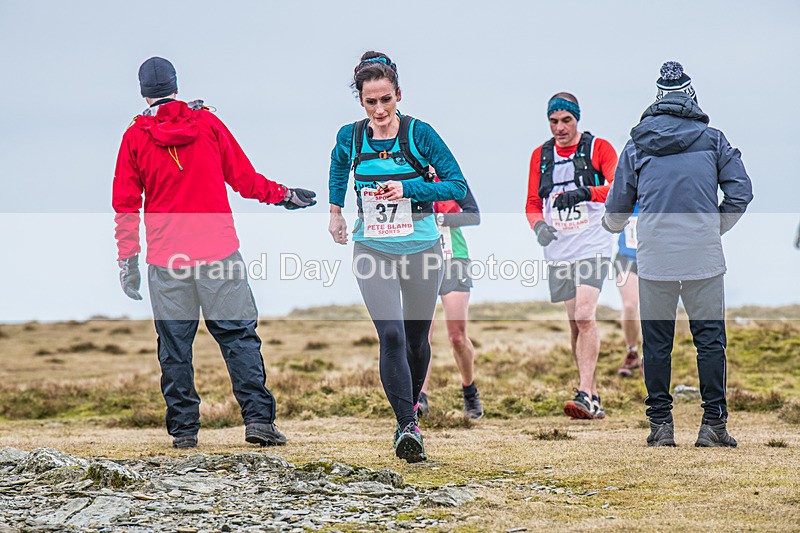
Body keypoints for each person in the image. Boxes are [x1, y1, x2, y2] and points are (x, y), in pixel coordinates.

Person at [113, 57, 317, 449]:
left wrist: (128, 262)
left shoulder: (134, 136)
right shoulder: (207, 124)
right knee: (239, 336)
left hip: (165, 260)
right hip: (219, 254)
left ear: (143, 92)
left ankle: (184, 432)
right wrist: (285, 196)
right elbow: (244, 179)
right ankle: (258, 421)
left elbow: (125, 205)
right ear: (176, 85)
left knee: (174, 346)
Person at [603, 61, 753, 447]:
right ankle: (713, 427)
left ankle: (661, 427)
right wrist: (712, 226)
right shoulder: (714, 139)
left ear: (657, 98)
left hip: (655, 257)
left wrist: (612, 226)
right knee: (710, 340)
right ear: (690, 95)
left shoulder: (636, 145)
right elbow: (740, 193)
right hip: (703, 255)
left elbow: (618, 209)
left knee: (656, 343)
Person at [328, 51, 467, 463]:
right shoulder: (351, 137)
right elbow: (338, 168)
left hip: (422, 248)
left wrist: (408, 191)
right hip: (372, 248)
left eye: (386, 99)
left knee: (416, 341)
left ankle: (408, 418)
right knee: (390, 335)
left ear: (398, 95)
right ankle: (408, 425)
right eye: (371, 102)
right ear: (361, 102)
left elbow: (456, 186)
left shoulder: (420, 134)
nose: (380, 109)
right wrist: (335, 212)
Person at [525, 93, 617, 420]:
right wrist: (538, 227)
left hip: (593, 243)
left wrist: (585, 192)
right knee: (575, 325)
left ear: (577, 118)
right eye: (554, 121)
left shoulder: (598, 149)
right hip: (559, 249)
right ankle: (590, 394)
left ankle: (585, 394)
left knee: (584, 315)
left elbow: (620, 187)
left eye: (566, 120)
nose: (560, 128)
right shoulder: (541, 155)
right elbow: (533, 203)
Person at [418, 175, 482, 419]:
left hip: (455, 259)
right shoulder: (408, 179)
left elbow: (473, 215)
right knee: (422, 334)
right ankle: (420, 397)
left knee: (457, 336)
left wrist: (440, 218)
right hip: (421, 261)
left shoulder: (452, 180)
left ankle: (469, 389)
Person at [615, 204, 641, 377]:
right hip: (627, 258)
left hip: (657, 258)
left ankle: (651, 357)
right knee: (630, 306)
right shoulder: (626, 189)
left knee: (654, 310)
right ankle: (631, 352)